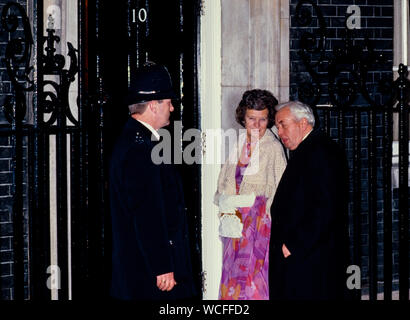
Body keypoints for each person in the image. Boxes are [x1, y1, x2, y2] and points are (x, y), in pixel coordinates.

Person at [109, 62, 196, 300]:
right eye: (168, 102)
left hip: (145, 266)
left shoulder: (139, 141)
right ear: (154, 106)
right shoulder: (140, 148)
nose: (172, 107)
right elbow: (147, 212)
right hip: (151, 273)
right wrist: (162, 265)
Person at [269, 100, 349, 300]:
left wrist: (294, 245)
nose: (279, 132)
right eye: (277, 126)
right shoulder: (309, 149)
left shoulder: (321, 151)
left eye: (283, 124)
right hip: (305, 254)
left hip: (311, 256)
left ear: (302, 123)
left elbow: (326, 207)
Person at [214, 89, 287, 300]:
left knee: (253, 282)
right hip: (234, 222)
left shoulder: (273, 148)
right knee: (232, 280)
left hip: (258, 226)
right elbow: (225, 182)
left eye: (262, 119)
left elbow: (281, 191)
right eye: (251, 119)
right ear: (243, 118)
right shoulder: (238, 143)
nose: (256, 125)